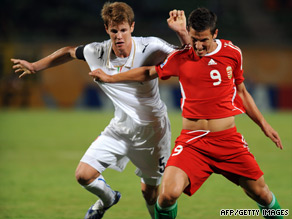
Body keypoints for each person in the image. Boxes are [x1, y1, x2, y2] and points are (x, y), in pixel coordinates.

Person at [89, 7, 284, 219]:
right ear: (188, 33)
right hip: (193, 143)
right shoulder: (181, 57)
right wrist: (110, 77)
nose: (198, 46)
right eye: (193, 39)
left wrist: (265, 125)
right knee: (166, 195)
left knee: (261, 194)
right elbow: (149, 72)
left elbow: (242, 92)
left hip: (228, 140)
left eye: (204, 40)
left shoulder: (232, 53)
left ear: (215, 33)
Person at [11, 2, 190, 219]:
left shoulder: (151, 46)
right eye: (114, 31)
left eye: (123, 30)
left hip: (153, 132)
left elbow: (188, 59)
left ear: (132, 27)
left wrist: (182, 32)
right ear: (107, 29)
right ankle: (108, 199)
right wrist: (35, 66)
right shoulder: (96, 51)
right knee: (83, 175)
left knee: (150, 194)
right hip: (120, 127)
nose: (119, 36)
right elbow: (68, 52)